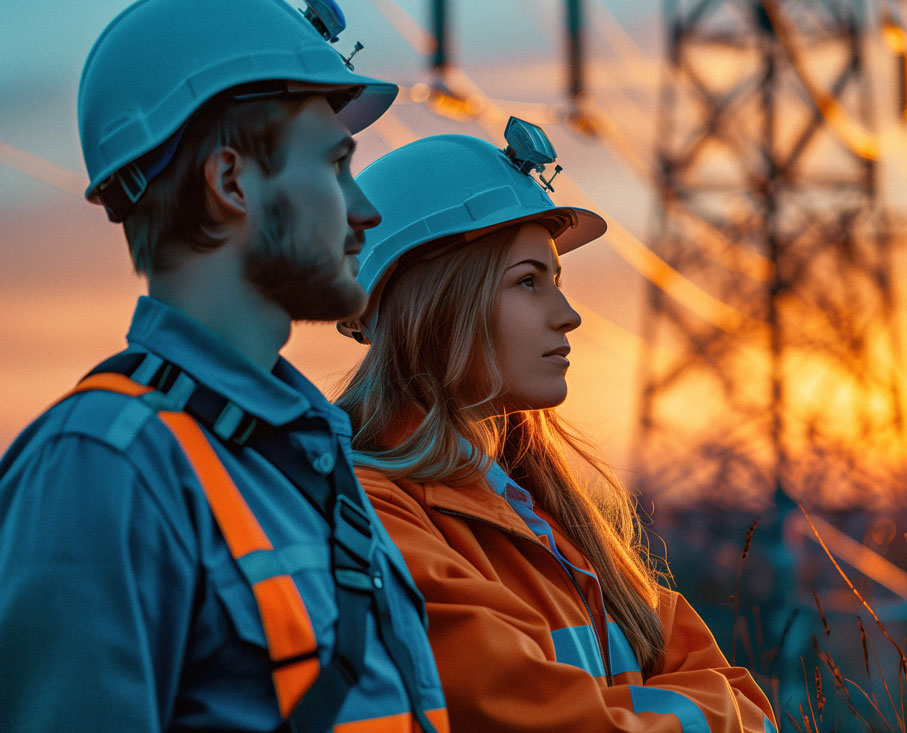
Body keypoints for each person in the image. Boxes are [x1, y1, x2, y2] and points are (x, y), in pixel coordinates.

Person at [0, 0, 447, 730]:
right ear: (233, 183)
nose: (365, 210)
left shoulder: (302, 453)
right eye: (337, 167)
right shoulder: (104, 468)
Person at [334, 118, 778, 732]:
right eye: (527, 282)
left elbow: (747, 700)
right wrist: (701, 711)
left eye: (557, 281)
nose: (567, 316)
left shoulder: (547, 516)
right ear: (435, 306)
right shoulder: (375, 517)